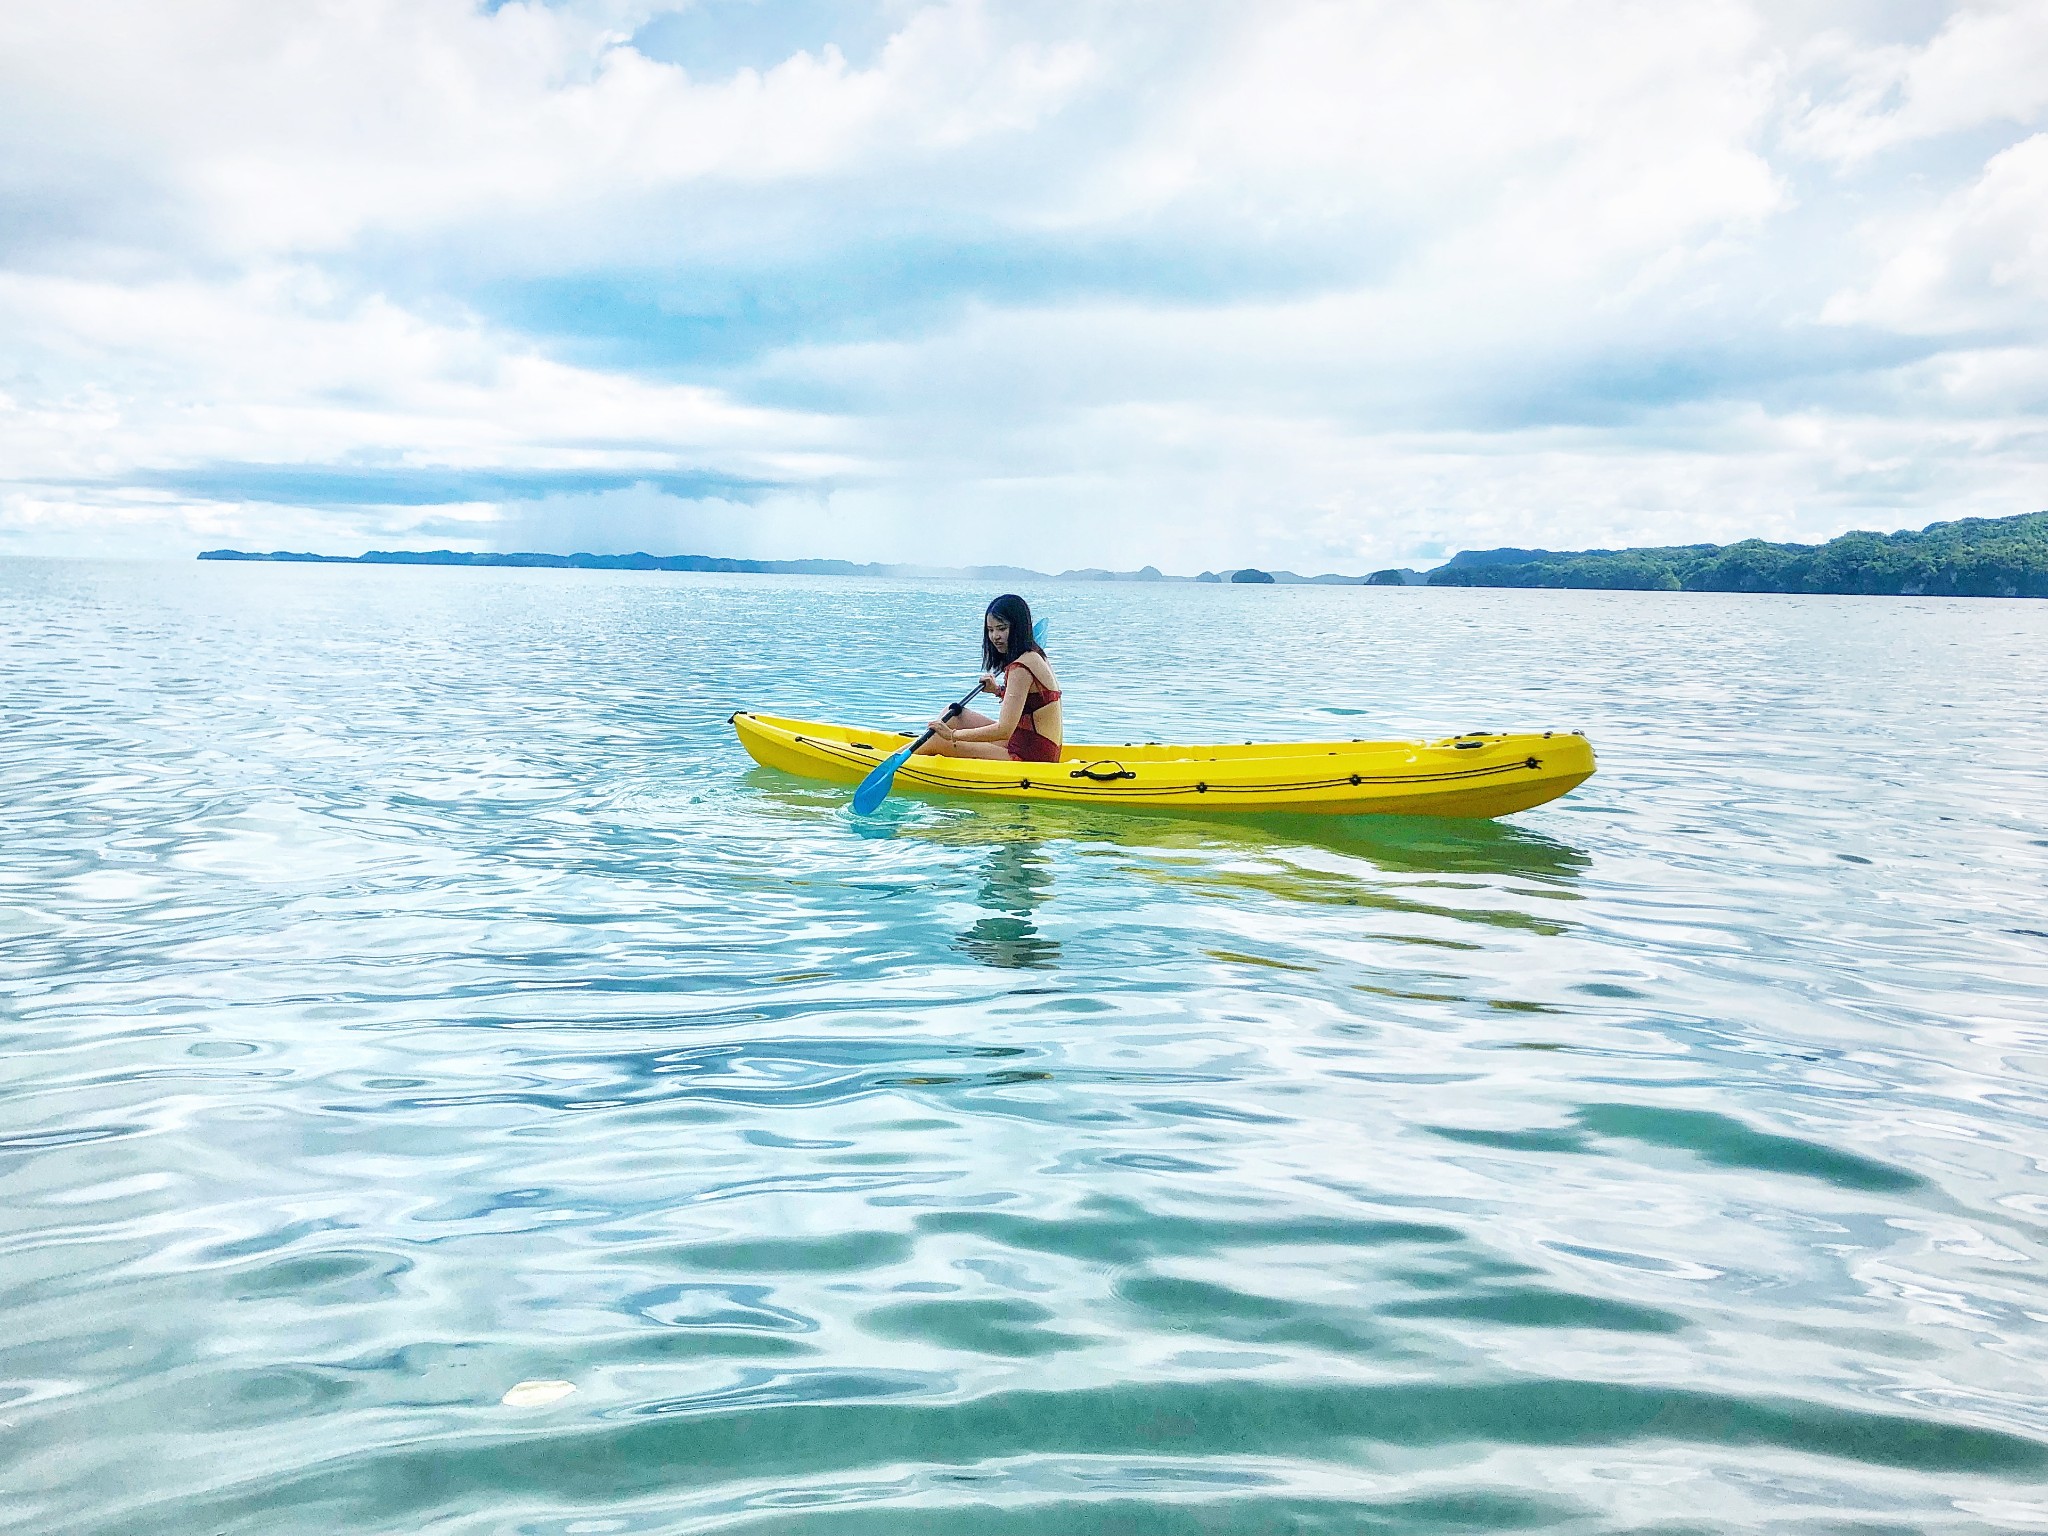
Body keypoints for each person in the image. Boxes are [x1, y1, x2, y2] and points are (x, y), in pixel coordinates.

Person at [918, 594, 1064, 763]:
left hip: (1028, 758)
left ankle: (889, 761)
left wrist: (952, 735)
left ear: (1017, 628)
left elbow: (1004, 730)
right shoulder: (1035, 654)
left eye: (1002, 628)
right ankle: (900, 753)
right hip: (1028, 743)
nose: (995, 636)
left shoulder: (1020, 668)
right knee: (953, 716)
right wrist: (997, 690)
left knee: (937, 740)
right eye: (990, 629)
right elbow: (1031, 701)